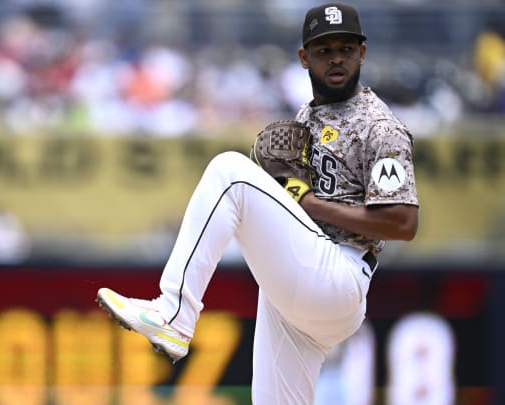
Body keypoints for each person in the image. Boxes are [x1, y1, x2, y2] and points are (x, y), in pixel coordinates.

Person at [95, 3, 419, 405]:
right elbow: (296, 202)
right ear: (304, 57)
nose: (336, 57)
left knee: (227, 171)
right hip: (302, 288)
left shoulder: (381, 128)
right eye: (323, 49)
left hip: (341, 276)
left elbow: (402, 222)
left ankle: (174, 314)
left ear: (362, 52)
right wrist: (288, 193)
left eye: (346, 47)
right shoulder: (308, 116)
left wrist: (312, 205)